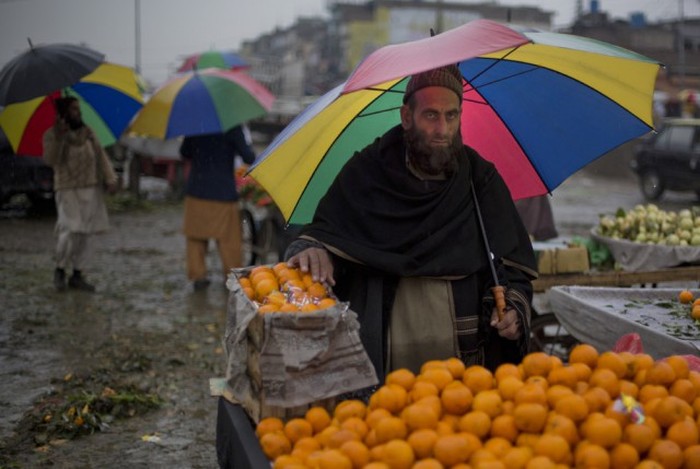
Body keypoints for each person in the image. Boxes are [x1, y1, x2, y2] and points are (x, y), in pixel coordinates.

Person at [286, 64, 538, 381]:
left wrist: (514, 310)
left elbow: (514, 267)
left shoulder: (480, 179)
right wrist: (315, 249)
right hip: (383, 349)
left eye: (451, 116)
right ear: (407, 117)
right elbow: (327, 234)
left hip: (464, 356)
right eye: (431, 115)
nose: (442, 130)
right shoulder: (367, 172)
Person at [43, 96, 118, 292]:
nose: (78, 113)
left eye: (78, 109)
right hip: (67, 188)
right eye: (74, 109)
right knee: (71, 230)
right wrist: (59, 137)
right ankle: (60, 268)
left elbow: (101, 155)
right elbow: (51, 160)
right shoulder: (52, 135)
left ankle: (77, 273)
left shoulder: (88, 133)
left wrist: (110, 179)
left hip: (90, 187)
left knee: (87, 234)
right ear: (64, 113)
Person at [180, 126, 256, 290]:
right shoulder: (232, 128)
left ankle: (198, 276)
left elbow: (184, 152)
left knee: (195, 238)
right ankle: (231, 276)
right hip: (222, 192)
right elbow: (248, 156)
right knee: (229, 239)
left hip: (197, 190)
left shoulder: (195, 126)